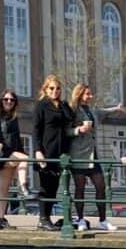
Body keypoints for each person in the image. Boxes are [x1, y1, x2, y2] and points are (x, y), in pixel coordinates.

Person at [66, 83, 125, 232]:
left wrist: (117, 109)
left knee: (101, 186)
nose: (90, 96)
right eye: (87, 94)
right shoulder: (72, 110)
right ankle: (80, 219)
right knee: (80, 188)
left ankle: (103, 220)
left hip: (93, 154)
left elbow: (103, 111)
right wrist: (79, 130)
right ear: (79, 94)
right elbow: (66, 131)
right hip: (78, 154)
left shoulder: (91, 110)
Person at [0, 89, 35, 231]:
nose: (9, 102)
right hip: (4, 153)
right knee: (26, 158)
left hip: (13, 153)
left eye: (12, 100)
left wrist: (19, 151)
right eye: (6, 99)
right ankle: (23, 187)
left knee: (4, 190)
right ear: (1, 101)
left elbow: (16, 139)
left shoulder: (13, 117)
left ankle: (0, 219)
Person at [32, 74, 70, 231]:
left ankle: (47, 218)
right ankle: (42, 219)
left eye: (58, 88)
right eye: (52, 88)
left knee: (54, 187)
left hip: (60, 152)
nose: (55, 91)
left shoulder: (62, 106)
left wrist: (63, 105)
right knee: (45, 186)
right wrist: (38, 151)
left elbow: (70, 117)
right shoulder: (41, 105)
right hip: (47, 150)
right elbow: (36, 129)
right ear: (45, 89)